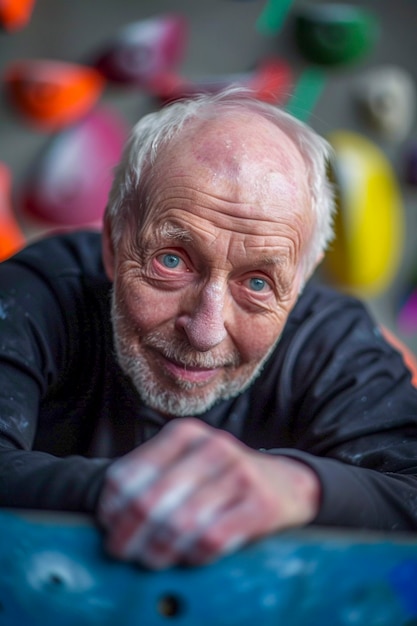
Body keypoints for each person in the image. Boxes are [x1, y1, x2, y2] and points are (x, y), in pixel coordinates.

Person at [1, 87, 417, 570]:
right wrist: (130, 492)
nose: (204, 331)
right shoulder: (39, 291)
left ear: (301, 279)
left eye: (258, 282)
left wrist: (301, 486)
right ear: (114, 241)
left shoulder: (334, 343)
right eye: (172, 260)